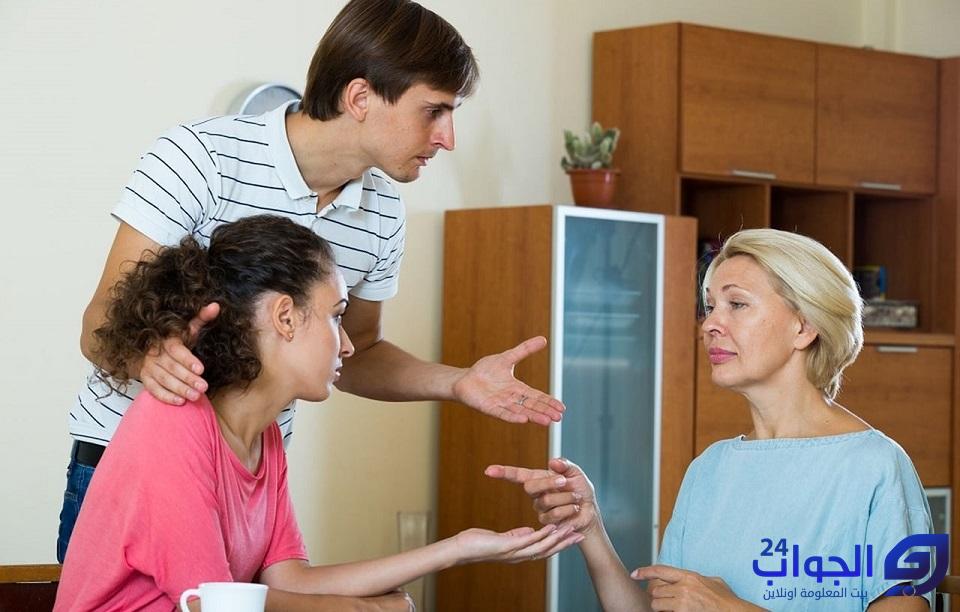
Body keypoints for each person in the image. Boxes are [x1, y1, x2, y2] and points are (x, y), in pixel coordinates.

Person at [59, 0, 564, 562]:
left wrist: (458, 382)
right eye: (434, 111)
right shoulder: (202, 158)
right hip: (128, 466)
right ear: (361, 97)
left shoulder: (383, 214)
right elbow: (100, 325)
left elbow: (359, 351)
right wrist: (150, 357)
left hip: (248, 482)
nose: (448, 138)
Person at [54, 216, 582, 612]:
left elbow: (289, 580)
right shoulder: (175, 426)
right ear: (285, 317)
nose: (348, 345)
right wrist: (361, 610)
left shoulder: (264, 435)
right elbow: (216, 603)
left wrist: (459, 549)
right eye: (336, 316)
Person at [487, 229, 934, 611]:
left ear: (804, 327)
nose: (709, 325)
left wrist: (731, 608)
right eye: (709, 306)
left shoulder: (878, 466)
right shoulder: (709, 468)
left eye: (736, 304)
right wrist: (590, 529)